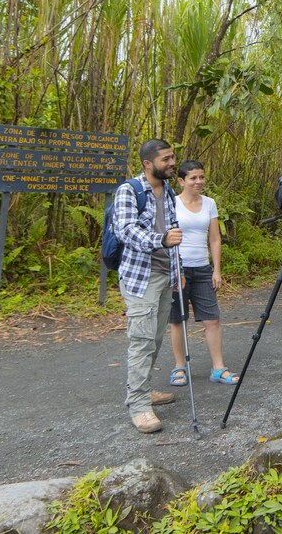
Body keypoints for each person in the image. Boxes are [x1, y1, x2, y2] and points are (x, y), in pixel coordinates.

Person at [113, 139, 182, 434]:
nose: (171, 163)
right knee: (141, 340)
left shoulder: (166, 190)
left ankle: (143, 390)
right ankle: (139, 405)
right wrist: (160, 240)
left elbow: (173, 229)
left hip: (166, 275)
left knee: (154, 339)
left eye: (172, 157)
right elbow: (125, 230)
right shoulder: (130, 190)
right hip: (140, 278)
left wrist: (178, 273)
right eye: (165, 159)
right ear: (147, 163)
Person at [168, 160, 239, 387]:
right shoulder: (171, 203)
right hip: (179, 268)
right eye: (193, 178)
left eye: (201, 177)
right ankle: (180, 367)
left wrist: (216, 269)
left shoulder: (209, 203)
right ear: (181, 181)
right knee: (178, 320)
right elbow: (166, 238)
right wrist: (174, 270)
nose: (199, 182)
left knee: (212, 319)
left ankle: (218, 368)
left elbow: (215, 238)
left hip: (202, 268)